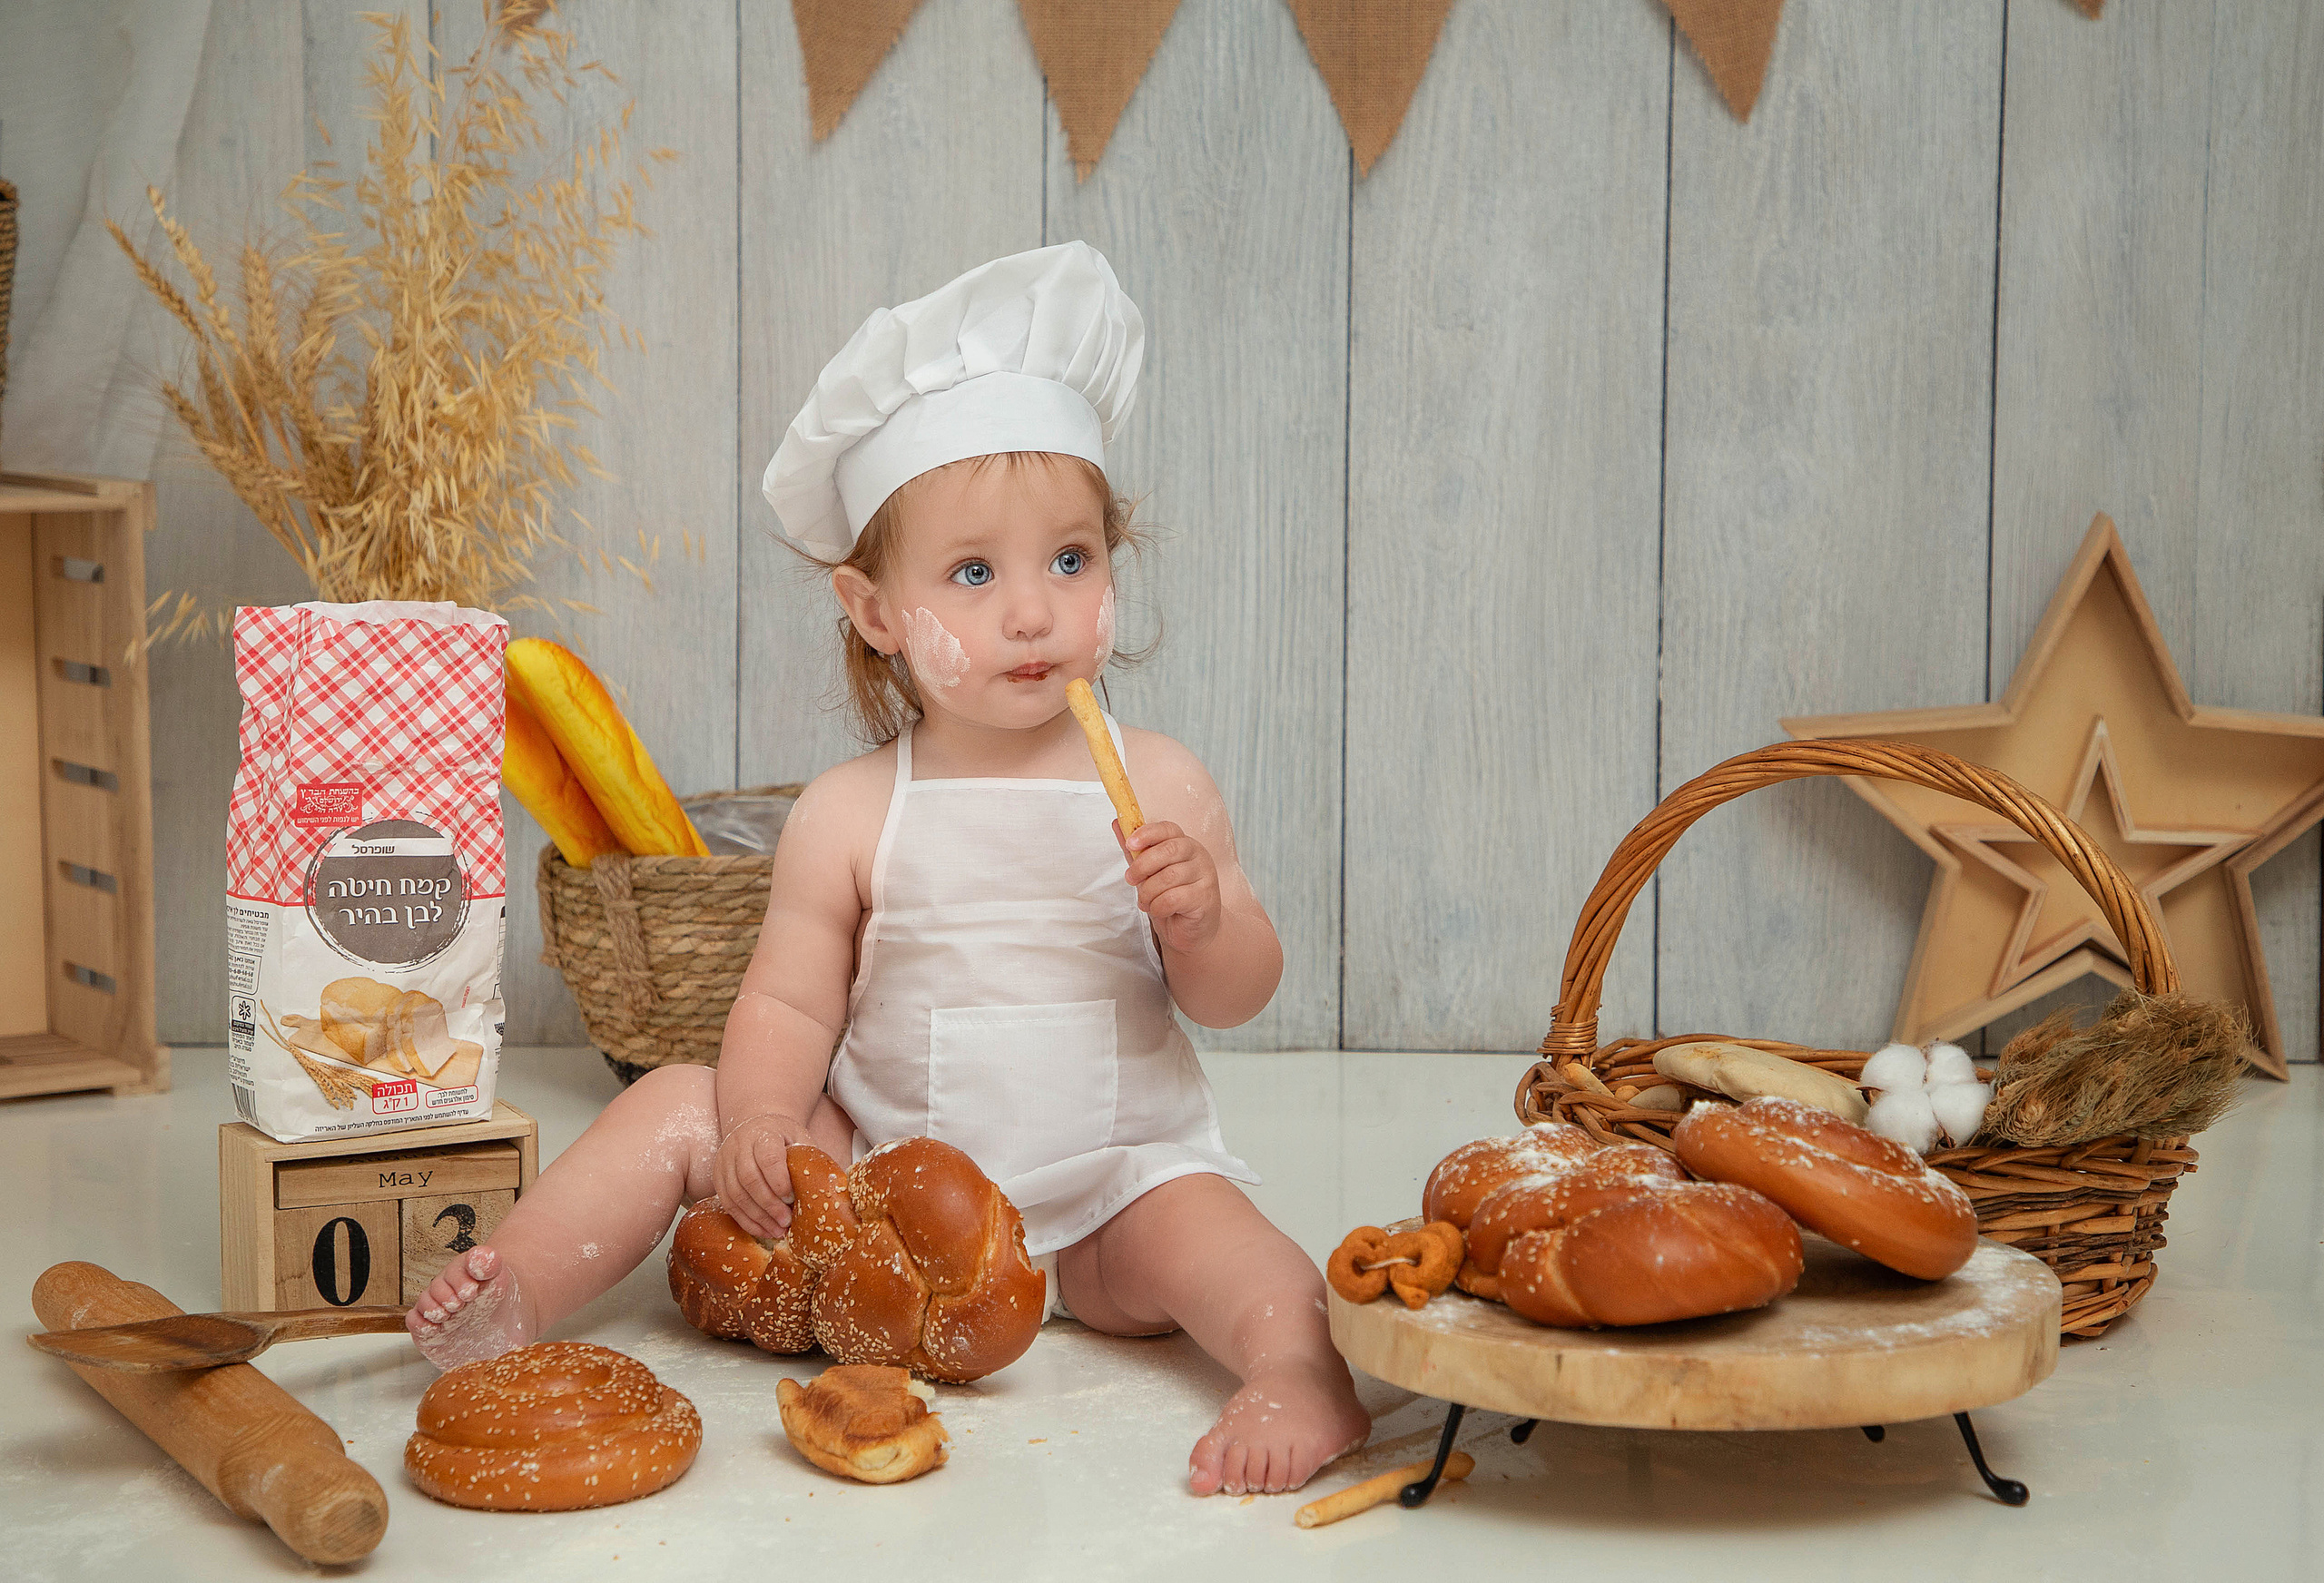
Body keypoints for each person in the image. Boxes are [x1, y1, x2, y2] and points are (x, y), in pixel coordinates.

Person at [408, 243, 1370, 1496]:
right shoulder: (854, 810)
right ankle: (521, 1288)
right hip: (881, 1195)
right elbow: (790, 1002)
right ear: (875, 612)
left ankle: (1300, 1372)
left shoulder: (1161, 782)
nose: (1032, 611)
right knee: (676, 1103)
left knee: (1230, 1243)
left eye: (1070, 560)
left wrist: (1204, 923)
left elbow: (1237, 994)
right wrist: (763, 1121)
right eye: (973, 573)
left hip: (1109, 1191)